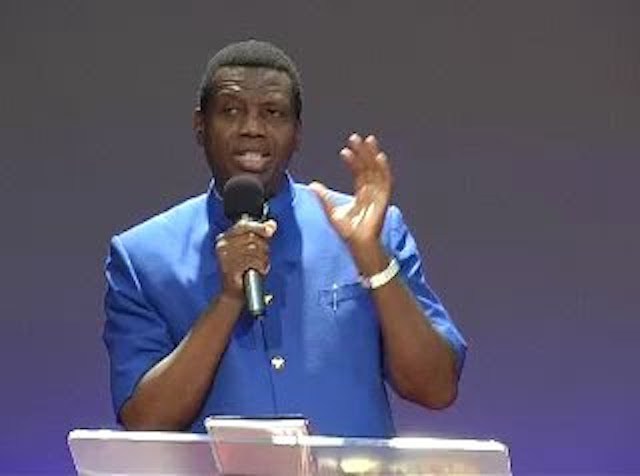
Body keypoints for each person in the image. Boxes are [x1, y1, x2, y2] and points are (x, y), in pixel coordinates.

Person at [103, 40, 466, 437]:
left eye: (273, 113)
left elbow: (436, 388)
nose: (252, 128)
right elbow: (145, 423)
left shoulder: (372, 230)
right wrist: (227, 301)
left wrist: (371, 258)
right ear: (200, 127)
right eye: (231, 111)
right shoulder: (142, 257)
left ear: (297, 134)